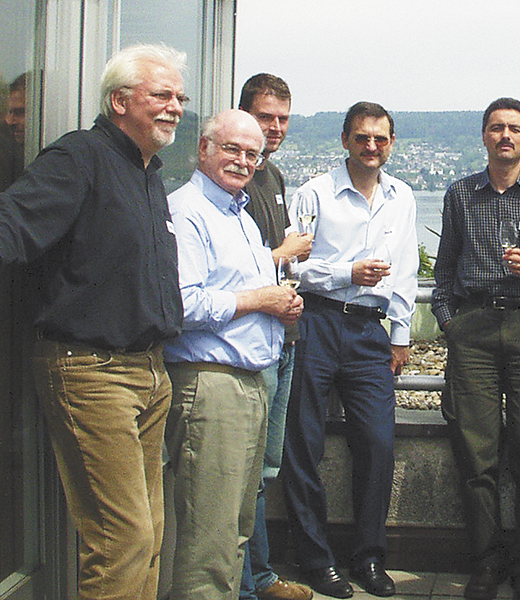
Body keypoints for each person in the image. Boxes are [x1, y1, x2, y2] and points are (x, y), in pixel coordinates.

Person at [0, 43, 188, 600]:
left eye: (180, 97)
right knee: (123, 538)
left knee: (152, 534)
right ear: (119, 101)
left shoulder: (148, 173)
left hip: (149, 373)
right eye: (161, 95)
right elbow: (11, 218)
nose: (175, 107)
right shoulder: (81, 158)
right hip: (92, 372)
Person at [431, 98, 520, 600]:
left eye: (514, 129)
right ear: (485, 136)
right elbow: (444, 266)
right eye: (497, 128)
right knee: (477, 454)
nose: (505, 136)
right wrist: (449, 322)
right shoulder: (460, 194)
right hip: (472, 329)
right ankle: (486, 564)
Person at [164, 109, 303, 599]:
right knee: (209, 540)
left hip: (248, 382)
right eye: (231, 149)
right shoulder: (186, 212)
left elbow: (244, 292)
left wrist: (279, 305)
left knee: (235, 529)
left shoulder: (239, 214)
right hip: (210, 384)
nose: (243, 161)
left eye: (252, 153)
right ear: (203, 150)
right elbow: (181, 304)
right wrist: (260, 300)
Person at [281, 101, 418, 599]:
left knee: (379, 444)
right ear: (345, 141)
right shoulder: (314, 193)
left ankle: (369, 557)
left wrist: (400, 333)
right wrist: (347, 272)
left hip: (368, 333)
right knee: (303, 445)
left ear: (391, 143)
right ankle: (316, 560)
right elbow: (292, 268)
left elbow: (404, 269)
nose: (372, 147)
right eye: (362, 138)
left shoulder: (401, 197)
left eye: (380, 139)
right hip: (315, 321)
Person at [236, 73, 314, 600]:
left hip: (282, 336)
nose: (276, 128)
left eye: (283, 118)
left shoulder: (276, 176)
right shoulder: (232, 178)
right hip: (246, 343)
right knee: (244, 470)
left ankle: (257, 578)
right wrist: (283, 255)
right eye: (267, 117)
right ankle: (248, 582)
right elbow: (226, 268)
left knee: (265, 465)